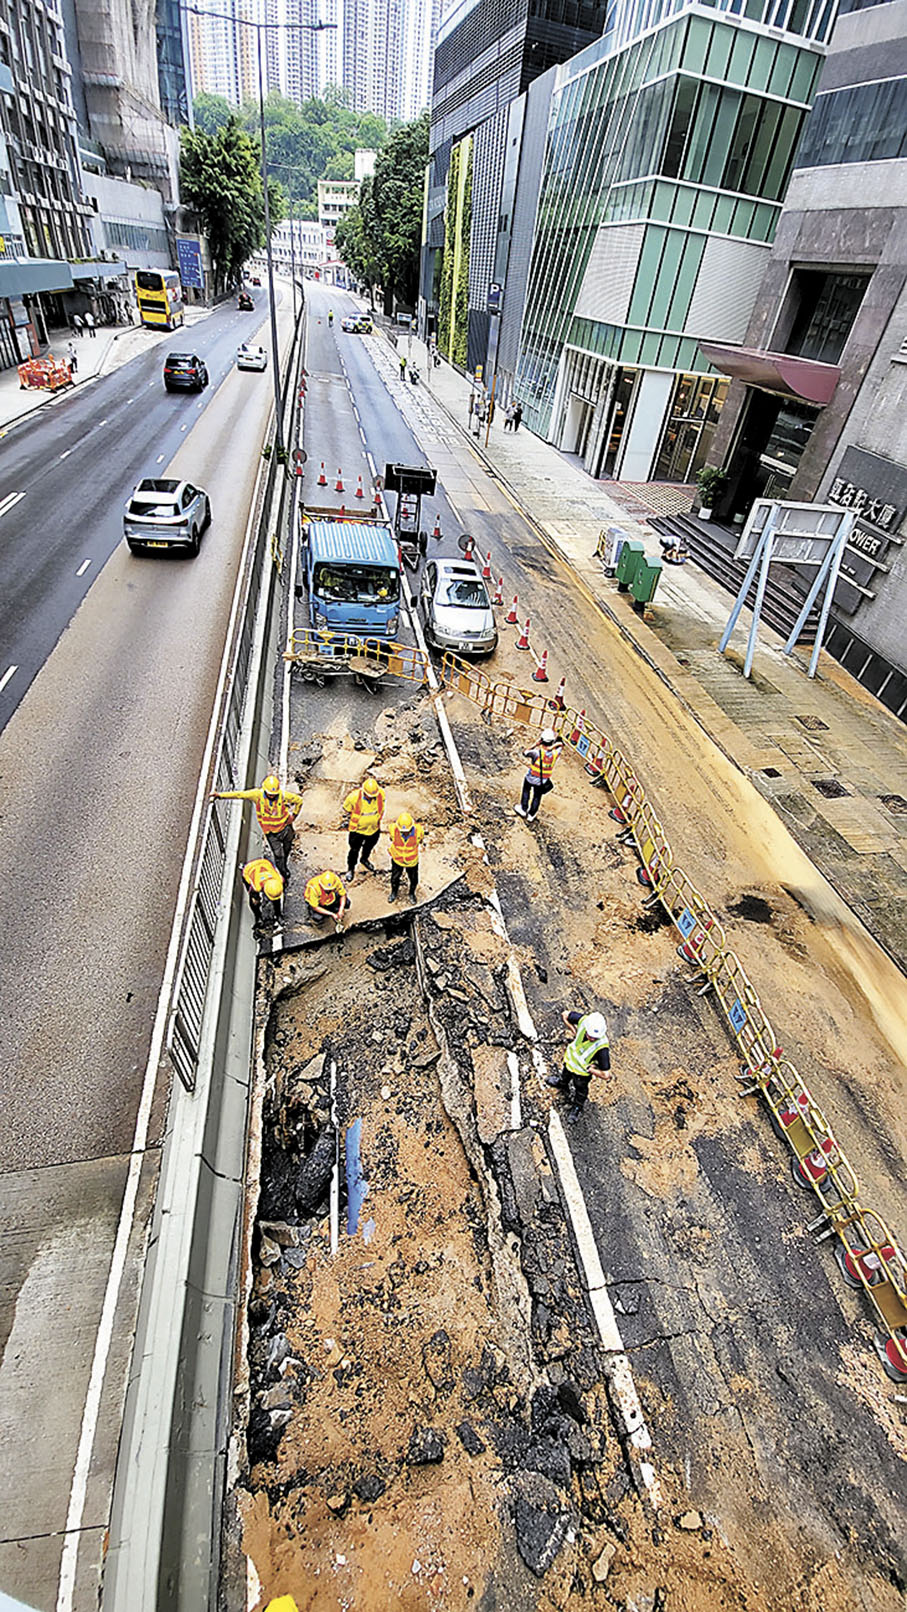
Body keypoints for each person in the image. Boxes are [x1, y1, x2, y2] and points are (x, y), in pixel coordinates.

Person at [211, 773, 303, 880]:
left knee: (287, 848)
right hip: (271, 834)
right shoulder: (257, 795)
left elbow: (299, 801)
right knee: (278, 855)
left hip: (285, 829)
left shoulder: (282, 796)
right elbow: (240, 795)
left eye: (274, 794)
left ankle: (284, 862)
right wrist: (220, 795)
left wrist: (294, 816)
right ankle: (283, 872)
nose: (272, 796)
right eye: (270, 794)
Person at [547, 1010, 611, 1121]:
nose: (592, 1039)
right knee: (565, 1075)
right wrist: (574, 1031)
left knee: (580, 1091)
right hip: (570, 1062)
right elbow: (565, 1014)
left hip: (582, 1073)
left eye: (594, 1038)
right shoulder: (584, 1021)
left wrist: (592, 1070)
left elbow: (606, 1074)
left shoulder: (602, 1047)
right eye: (590, 1035)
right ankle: (562, 1084)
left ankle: (577, 1107)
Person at [514, 727, 564, 822]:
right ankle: (531, 815)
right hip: (542, 781)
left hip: (530, 778)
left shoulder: (536, 753)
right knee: (537, 797)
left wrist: (535, 744)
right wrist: (553, 747)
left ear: (541, 740)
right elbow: (561, 745)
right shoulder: (555, 754)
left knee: (526, 791)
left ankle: (523, 809)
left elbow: (525, 752)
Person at [343, 776, 385, 880]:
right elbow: (347, 809)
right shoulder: (353, 797)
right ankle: (351, 869)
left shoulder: (380, 794)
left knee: (368, 847)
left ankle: (364, 859)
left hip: (374, 829)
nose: (371, 797)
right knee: (354, 851)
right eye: (369, 795)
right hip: (357, 831)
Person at [387, 810, 424, 903]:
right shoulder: (393, 829)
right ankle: (394, 893)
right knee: (395, 878)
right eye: (402, 831)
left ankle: (412, 893)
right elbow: (392, 838)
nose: (404, 833)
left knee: (414, 879)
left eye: (406, 831)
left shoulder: (418, 831)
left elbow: (420, 841)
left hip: (411, 861)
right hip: (397, 860)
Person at [242, 858, 284, 925]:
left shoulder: (279, 879)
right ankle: (258, 916)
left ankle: (278, 914)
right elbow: (252, 893)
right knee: (254, 902)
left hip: (265, 863)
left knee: (276, 899)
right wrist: (255, 898)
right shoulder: (256, 886)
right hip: (249, 869)